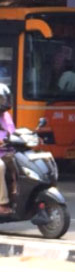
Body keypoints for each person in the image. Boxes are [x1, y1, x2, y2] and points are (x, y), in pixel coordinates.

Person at [0, 84, 15, 215]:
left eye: (5, 99)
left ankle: (17, 194)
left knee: (22, 161)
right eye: (1, 99)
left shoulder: (6, 116)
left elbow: (13, 132)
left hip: (7, 151)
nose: (4, 102)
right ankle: (2, 202)